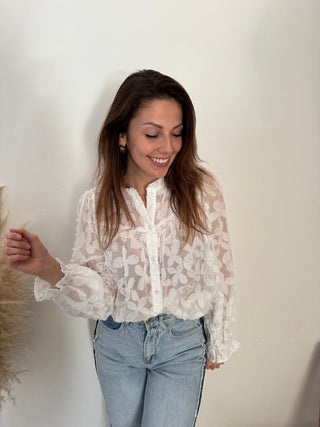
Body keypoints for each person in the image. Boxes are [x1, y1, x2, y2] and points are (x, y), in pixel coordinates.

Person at [5, 69, 239, 427]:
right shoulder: (96, 203)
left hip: (181, 344)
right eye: (152, 134)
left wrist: (220, 338)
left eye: (177, 134)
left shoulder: (201, 191)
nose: (168, 147)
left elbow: (220, 268)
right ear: (122, 137)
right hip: (118, 344)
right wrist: (48, 268)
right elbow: (101, 297)